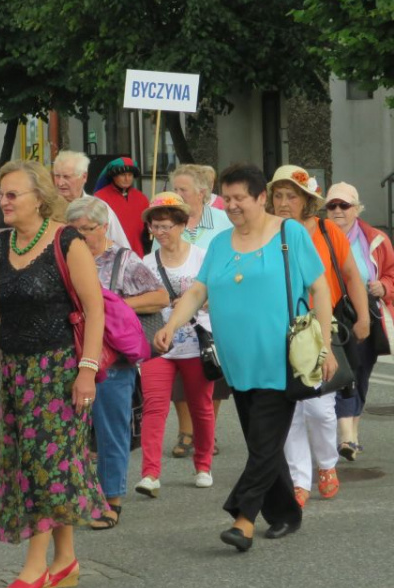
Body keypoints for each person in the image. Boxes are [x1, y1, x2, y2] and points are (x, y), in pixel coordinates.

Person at [0, 160, 107, 588]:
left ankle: (35, 565)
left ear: (40, 198)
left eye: (13, 194)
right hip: (15, 373)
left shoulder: (65, 240)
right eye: (1, 193)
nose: (3, 201)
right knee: (31, 463)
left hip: (59, 371)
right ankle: (66, 557)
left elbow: (95, 310)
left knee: (43, 467)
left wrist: (87, 370)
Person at [154, 163, 337, 552]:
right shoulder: (220, 244)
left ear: (260, 198)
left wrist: (326, 346)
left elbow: (320, 289)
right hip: (237, 361)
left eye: (241, 198)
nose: (233, 206)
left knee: (265, 441)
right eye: (229, 198)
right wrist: (173, 325)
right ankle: (287, 513)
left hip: (282, 358)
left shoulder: (289, 234)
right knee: (262, 443)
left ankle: (243, 518)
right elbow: (198, 290)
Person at [268, 165, 369, 507]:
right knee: (291, 410)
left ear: (306, 201)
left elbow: (352, 275)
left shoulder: (327, 231)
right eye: (278, 195)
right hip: (278, 329)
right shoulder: (266, 232)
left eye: (291, 196)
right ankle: (300, 480)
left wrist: (364, 317)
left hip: (320, 329)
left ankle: (326, 463)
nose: (284, 203)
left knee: (321, 410)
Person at [66, 196, 168, 529]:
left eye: (87, 229)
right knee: (73, 430)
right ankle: (80, 494)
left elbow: (160, 297)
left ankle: (111, 499)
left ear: (104, 226)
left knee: (110, 428)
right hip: (71, 354)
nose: (81, 237)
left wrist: (117, 305)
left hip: (112, 359)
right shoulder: (64, 258)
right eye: (74, 230)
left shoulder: (123, 260)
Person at [135, 192, 215, 500]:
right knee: (154, 408)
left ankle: (203, 465)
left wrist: (197, 302)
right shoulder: (144, 263)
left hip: (197, 343)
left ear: (182, 224)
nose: (160, 233)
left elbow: (214, 295)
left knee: (201, 408)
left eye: (166, 226)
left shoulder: (201, 256)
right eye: (155, 227)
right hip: (158, 344)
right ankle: (150, 473)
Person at [168, 164, 235, 460]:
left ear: (202, 193)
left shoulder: (223, 221)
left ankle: (208, 431)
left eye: (182, 190)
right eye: (174, 189)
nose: (177, 194)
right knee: (178, 371)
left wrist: (217, 295)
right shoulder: (168, 220)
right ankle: (186, 430)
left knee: (211, 370)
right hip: (173, 308)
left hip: (212, 309)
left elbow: (234, 259)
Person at [326, 182, 394, 459]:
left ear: (356, 209)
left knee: (362, 373)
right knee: (343, 372)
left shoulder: (376, 239)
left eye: (344, 205)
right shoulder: (317, 236)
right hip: (329, 312)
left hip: (366, 313)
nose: (338, 211)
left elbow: (391, 274)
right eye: (332, 206)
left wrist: (384, 287)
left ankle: (352, 431)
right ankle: (346, 437)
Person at [51, 150, 130, 250]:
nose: (60, 183)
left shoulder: (100, 207)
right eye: (57, 176)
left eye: (66, 177)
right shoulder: (45, 208)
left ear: (84, 177)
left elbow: (122, 248)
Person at [94, 157, 150, 257]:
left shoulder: (142, 198)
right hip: (112, 255)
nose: (127, 179)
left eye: (130, 175)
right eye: (123, 175)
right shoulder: (100, 198)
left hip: (139, 254)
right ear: (114, 176)